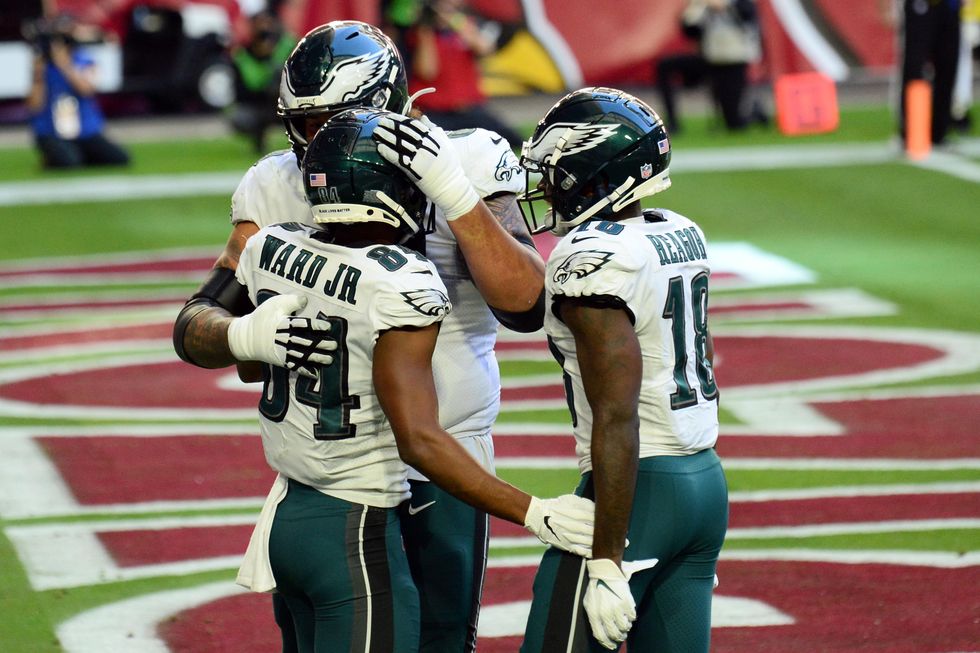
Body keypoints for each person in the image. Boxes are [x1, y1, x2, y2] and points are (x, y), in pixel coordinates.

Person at [171, 20, 546, 653]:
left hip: (447, 457)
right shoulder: (275, 183)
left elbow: (527, 305)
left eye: (331, 122)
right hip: (335, 471)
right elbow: (195, 323)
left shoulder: (470, 157)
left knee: (439, 639)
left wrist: (453, 194)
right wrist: (241, 335)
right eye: (305, 124)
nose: (314, 143)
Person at [227, 108, 593, 651]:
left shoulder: (267, 251)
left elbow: (240, 357)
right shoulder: (404, 281)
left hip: (298, 500)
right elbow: (419, 440)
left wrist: (242, 337)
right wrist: (533, 511)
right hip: (367, 508)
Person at [515, 87, 729, 652]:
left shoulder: (594, 255)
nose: (546, 186)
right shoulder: (677, 229)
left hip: (638, 491)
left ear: (593, 170)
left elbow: (616, 414)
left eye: (556, 171)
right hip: (703, 482)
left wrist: (606, 562)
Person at [402, 0, 524, 148]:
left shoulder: (466, 26)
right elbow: (427, 72)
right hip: (436, 113)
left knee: (512, 140)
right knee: (428, 145)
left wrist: (455, 21)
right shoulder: (422, 33)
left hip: (470, 110)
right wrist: (426, 32)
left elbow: (485, 48)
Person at [23, 14, 130, 169]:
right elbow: (33, 105)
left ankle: (82, 154)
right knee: (69, 163)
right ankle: (56, 157)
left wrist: (65, 65)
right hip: (51, 130)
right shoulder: (41, 66)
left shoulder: (83, 60)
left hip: (84, 130)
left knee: (119, 158)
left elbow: (87, 90)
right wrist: (38, 74)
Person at [882, 0, 962, 145]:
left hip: (950, 5)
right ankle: (909, 131)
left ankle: (939, 132)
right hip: (920, 4)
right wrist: (885, 5)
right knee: (914, 68)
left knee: (948, 66)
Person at [678, 0, 765, 131]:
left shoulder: (739, 3)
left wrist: (727, 7)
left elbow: (748, 16)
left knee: (734, 119)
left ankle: (754, 115)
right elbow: (689, 29)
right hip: (714, 57)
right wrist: (696, 9)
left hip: (737, 57)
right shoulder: (704, 4)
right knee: (723, 103)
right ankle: (746, 116)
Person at [229, 9, 296, 153]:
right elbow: (239, 94)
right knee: (240, 116)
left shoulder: (289, 48)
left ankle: (303, 145)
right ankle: (258, 141)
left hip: (288, 104)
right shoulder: (242, 57)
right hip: (259, 106)